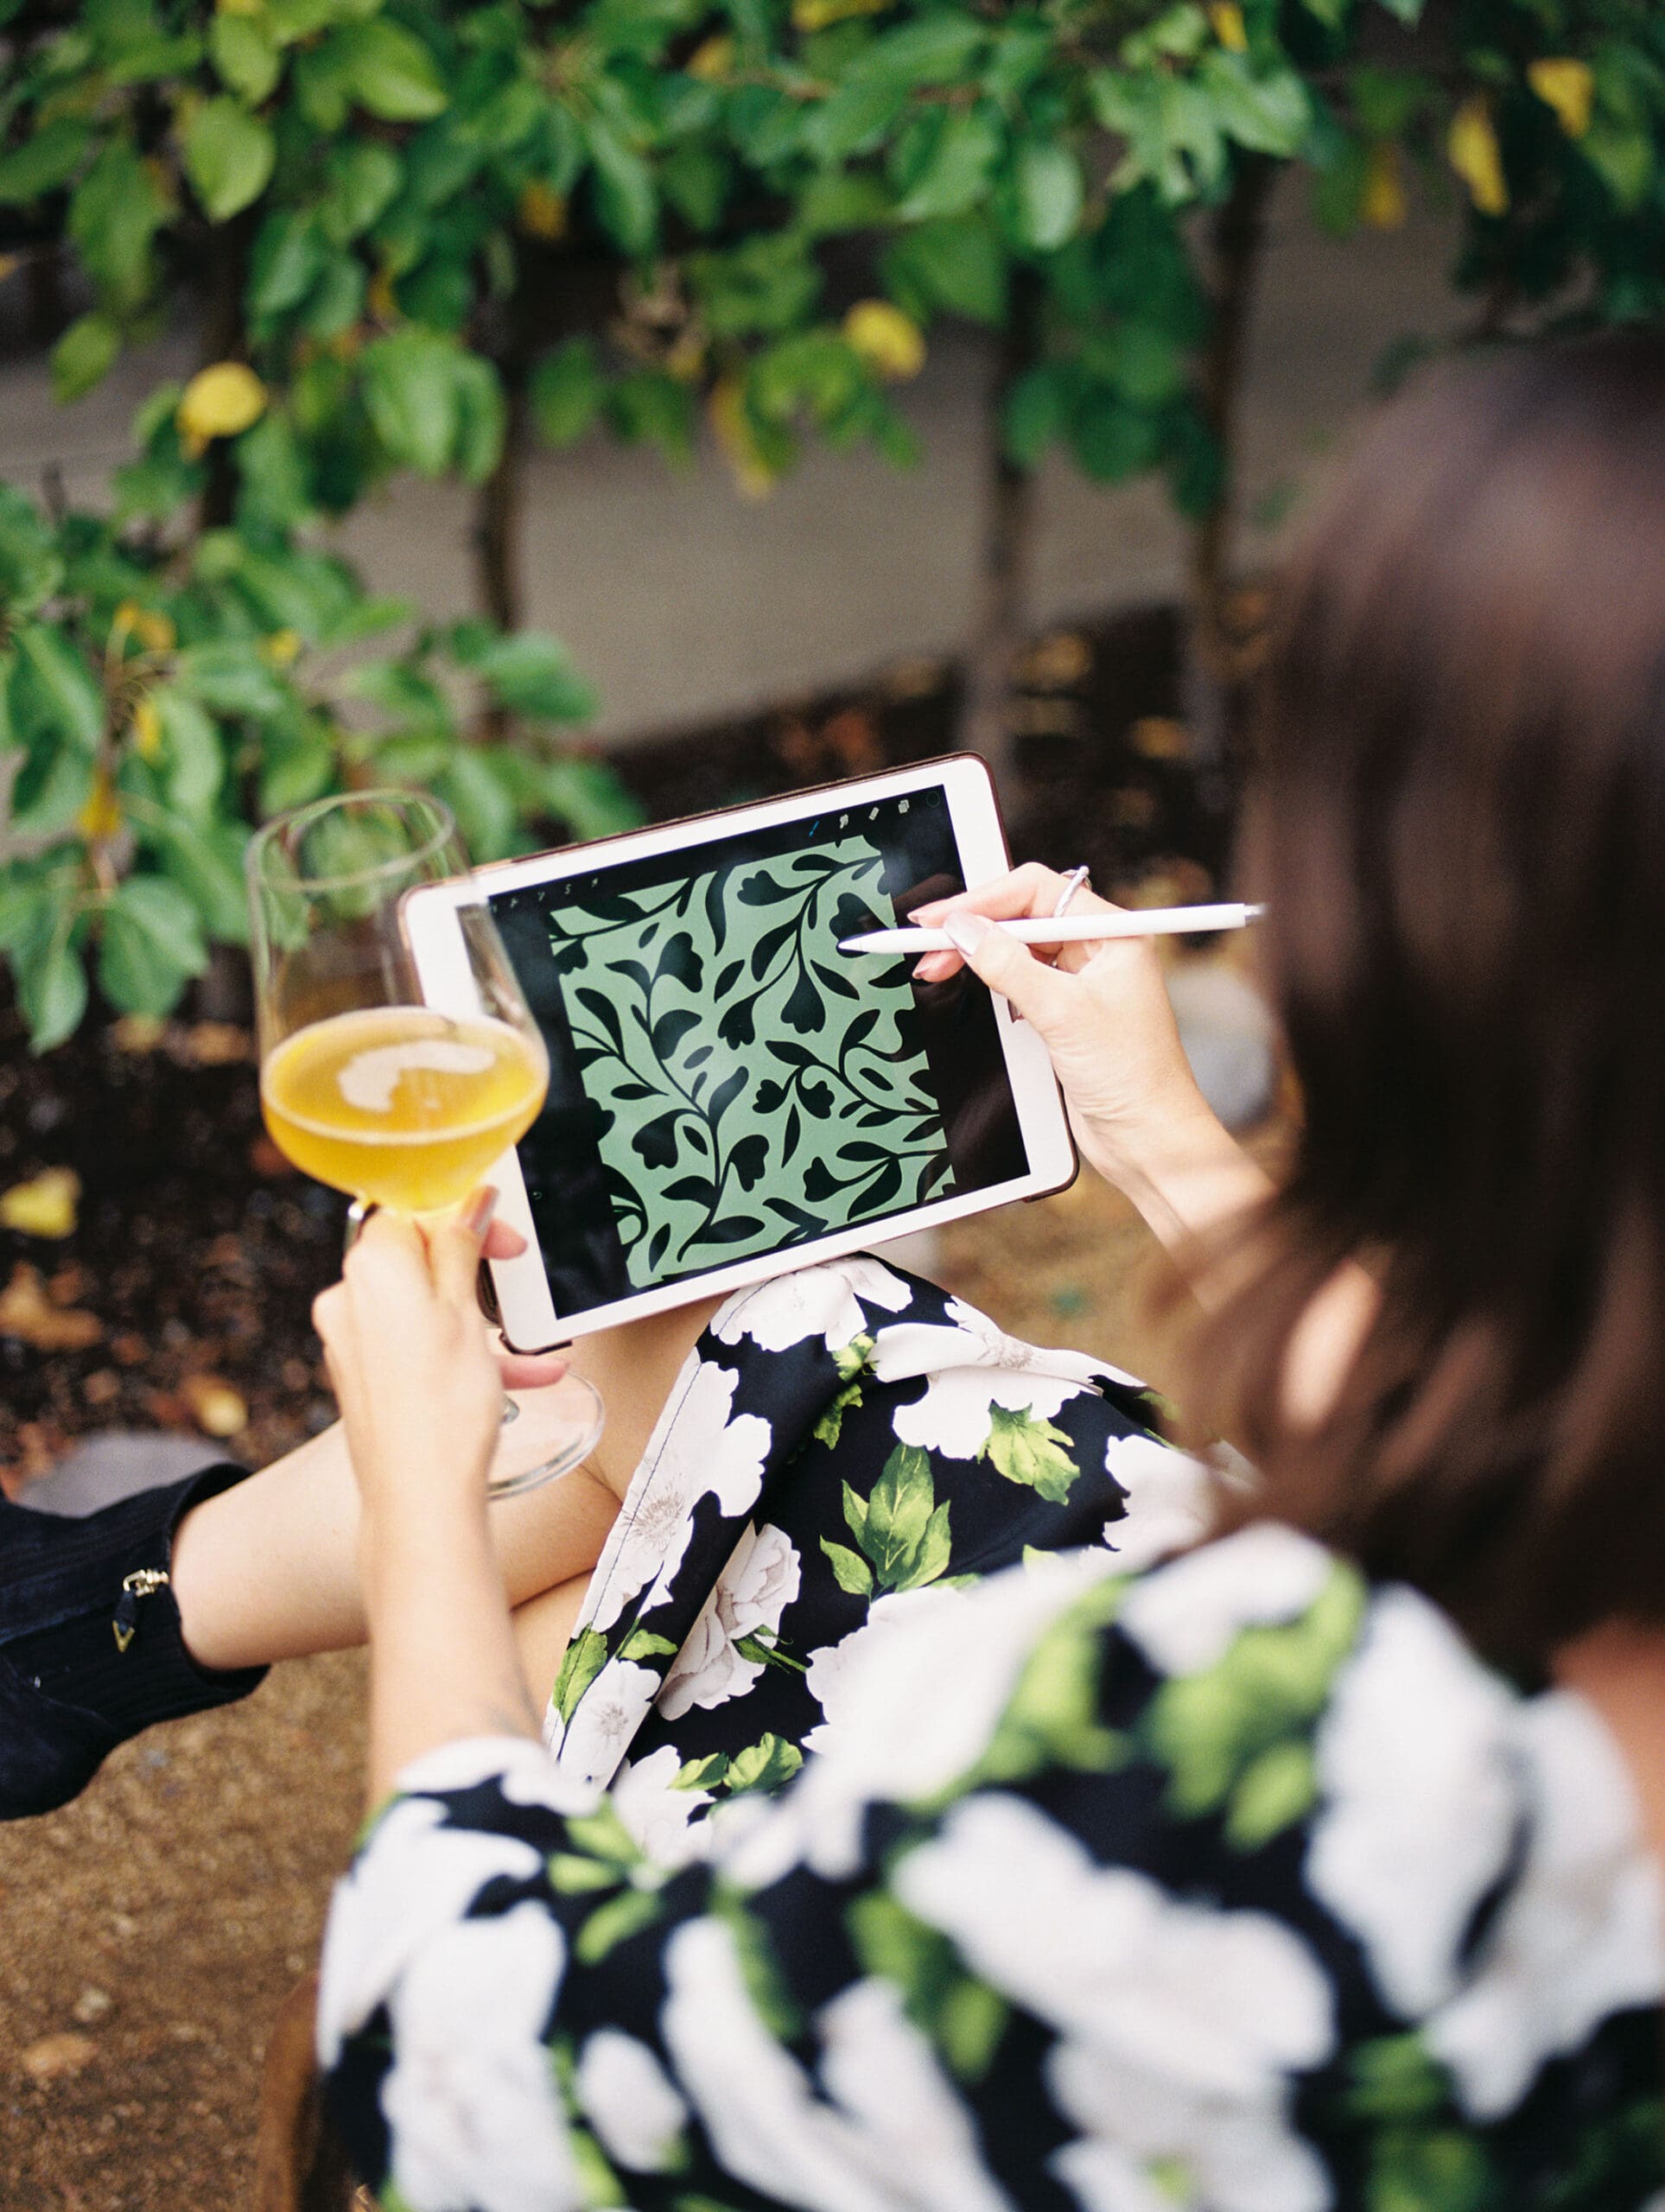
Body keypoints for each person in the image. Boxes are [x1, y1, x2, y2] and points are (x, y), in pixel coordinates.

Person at [311, 333, 1665, 2212]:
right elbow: (1531, 1428)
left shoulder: (1223, 1781)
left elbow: (457, 2069)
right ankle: (104, 1621)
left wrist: (416, 1504)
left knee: (586, 1598)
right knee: (798, 1320)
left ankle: (104, 1625)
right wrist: (1163, 1132)